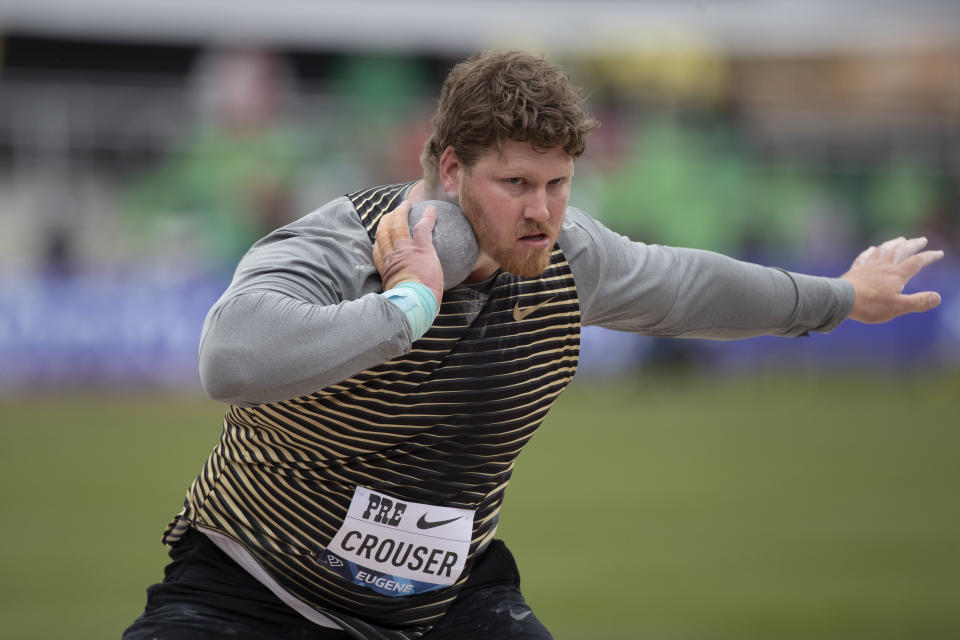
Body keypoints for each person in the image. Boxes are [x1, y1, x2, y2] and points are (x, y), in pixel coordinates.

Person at [124, 50, 943, 640]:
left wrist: (841, 299)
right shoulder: (343, 242)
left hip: (445, 607)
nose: (542, 211)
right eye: (514, 183)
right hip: (253, 591)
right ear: (451, 170)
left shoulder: (563, 256)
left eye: (558, 183)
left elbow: (686, 285)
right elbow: (227, 357)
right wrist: (407, 306)